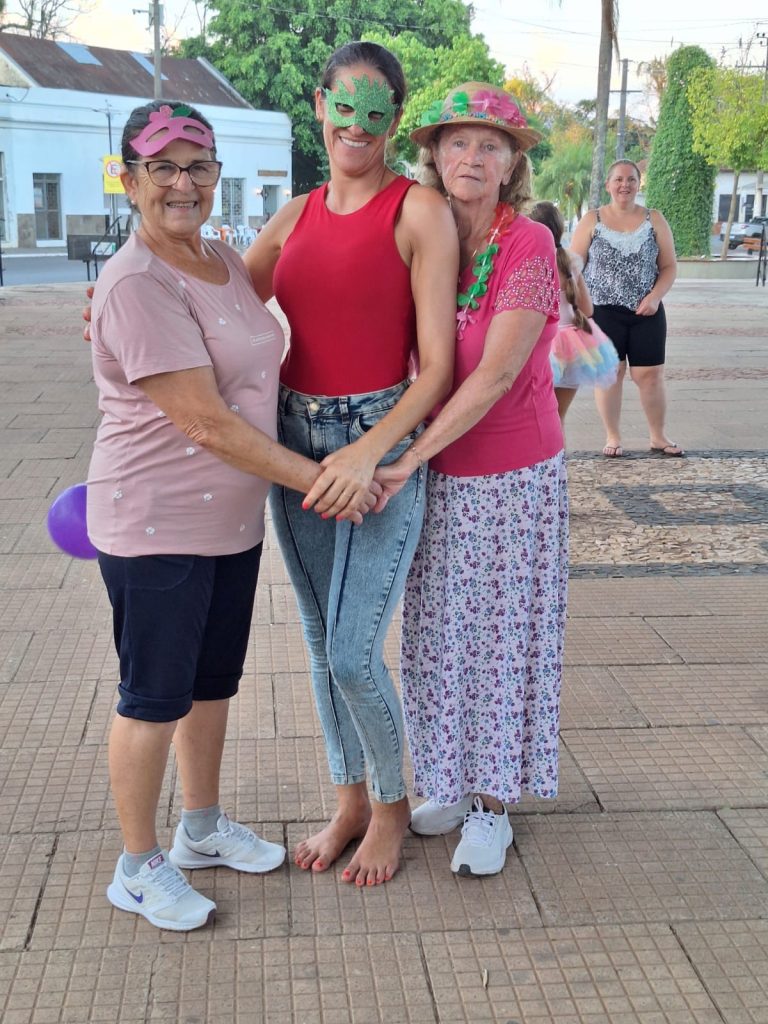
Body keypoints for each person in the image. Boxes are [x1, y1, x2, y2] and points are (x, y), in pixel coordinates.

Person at [87, 100, 379, 931]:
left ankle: (201, 828)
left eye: (199, 167)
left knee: (210, 685)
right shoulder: (135, 282)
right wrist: (324, 478)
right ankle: (136, 867)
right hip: (156, 523)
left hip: (228, 523)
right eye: (163, 168)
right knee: (153, 696)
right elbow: (207, 422)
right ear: (130, 180)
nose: (183, 184)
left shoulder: (217, 256)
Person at [242, 42, 459, 886]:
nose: (356, 127)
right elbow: (221, 308)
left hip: (383, 442)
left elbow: (437, 367)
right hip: (294, 440)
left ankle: (393, 805)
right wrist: (123, 303)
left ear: (394, 121)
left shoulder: (419, 211)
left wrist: (369, 452)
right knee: (318, 635)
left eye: (376, 113)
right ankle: (350, 800)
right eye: (344, 107)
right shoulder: (292, 216)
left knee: (353, 651)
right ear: (320, 107)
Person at [366, 83, 569, 877]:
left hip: (509, 482)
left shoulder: (529, 244)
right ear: (435, 154)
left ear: (513, 163)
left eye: (491, 145)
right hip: (437, 478)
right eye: (458, 142)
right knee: (436, 637)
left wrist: (407, 457)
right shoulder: (426, 231)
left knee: (497, 642)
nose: (473, 157)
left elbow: (494, 376)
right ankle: (448, 782)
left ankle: (492, 806)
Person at [570, 160, 682, 457]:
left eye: (631, 179)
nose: (625, 185)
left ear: (638, 183)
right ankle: (613, 437)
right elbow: (574, 266)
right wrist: (578, 306)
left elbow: (669, 267)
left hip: (647, 311)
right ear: (608, 184)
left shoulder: (654, 219)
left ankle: (658, 436)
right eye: (618, 179)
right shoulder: (591, 220)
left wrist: (655, 297)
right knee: (611, 374)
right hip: (603, 312)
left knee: (650, 375)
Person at [529, 201, 619, 424]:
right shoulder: (571, 261)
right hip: (576, 347)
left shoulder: (531, 262)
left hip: (543, 346)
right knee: (558, 416)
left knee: (538, 416)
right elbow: (587, 309)